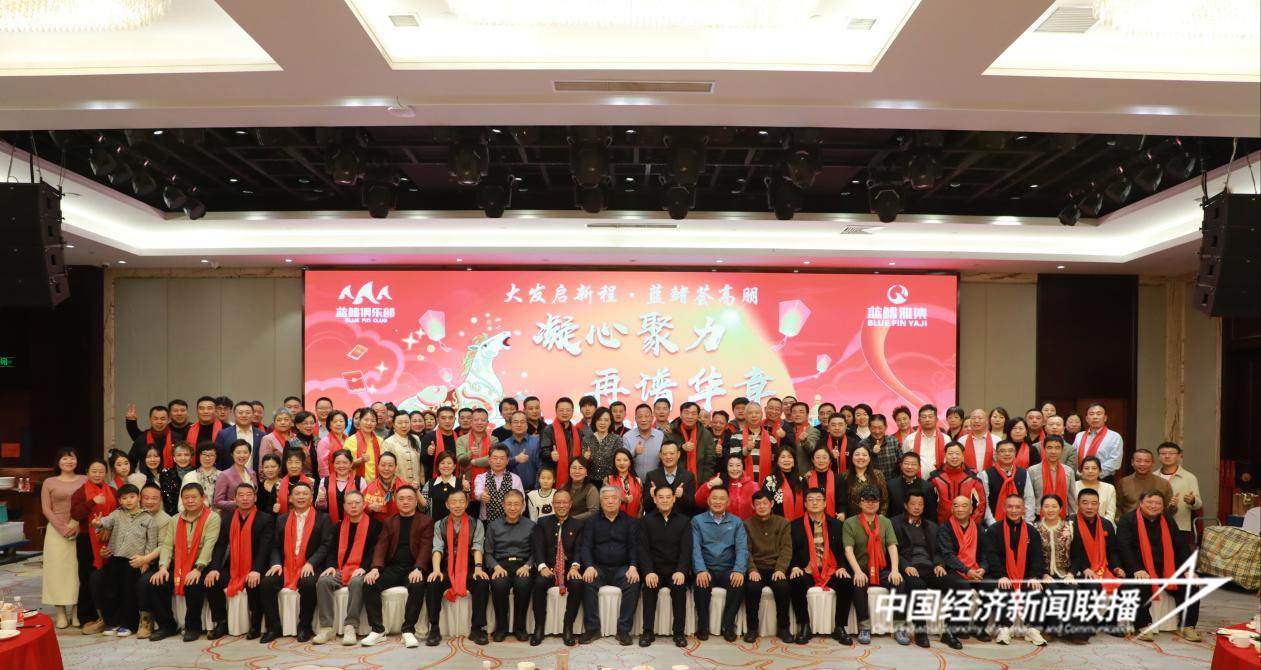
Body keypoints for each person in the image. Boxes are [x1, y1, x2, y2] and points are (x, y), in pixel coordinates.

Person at [1117, 489, 1199, 643]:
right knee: (1141, 585)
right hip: (1140, 567)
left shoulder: (1167, 519)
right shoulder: (1127, 520)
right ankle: (1143, 625)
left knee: (1191, 584)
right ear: (1141, 503)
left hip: (1167, 568)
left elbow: (1181, 546)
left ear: (1163, 506)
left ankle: (1187, 626)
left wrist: (1189, 570)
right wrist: (1136, 569)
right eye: (1149, 502)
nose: (1153, 506)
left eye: (1158, 503)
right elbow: (1124, 548)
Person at [144, 482, 222, 642]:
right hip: (179, 563)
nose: (190, 501)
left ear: (203, 498)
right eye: (186, 498)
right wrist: (163, 567)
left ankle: (193, 627)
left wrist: (198, 569)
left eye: (194, 497)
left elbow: (209, 544)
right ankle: (167, 626)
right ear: (182, 500)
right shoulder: (175, 519)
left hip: (202, 564)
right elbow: (167, 545)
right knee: (156, 583)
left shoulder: (212, 517)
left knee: (193, 584)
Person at [259, 481, 334, 643]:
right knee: (266, 583)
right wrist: (276, 563)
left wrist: (311, 562)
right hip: (287, 566)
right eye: (297, 494)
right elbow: (275, 545)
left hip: (310, 565)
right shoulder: (282, 519)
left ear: (311, 498)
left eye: (305, 494)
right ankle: (273, 627)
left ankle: (304, 626)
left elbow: (326, 545)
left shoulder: (323, 518)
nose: (301, 497)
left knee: (308, 584)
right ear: (290, 498)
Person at [362, 485, 433, 648]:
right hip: (393, 568)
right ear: (395, 501)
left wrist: (419, 568)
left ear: (416, 501)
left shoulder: (425, 521)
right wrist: (375, 568)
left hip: (413, 568)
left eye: (409, 498)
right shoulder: (389, 521)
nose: (405, 502)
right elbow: (381, 546)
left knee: (417, 584)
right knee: (369, 583)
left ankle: (408, 630)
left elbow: (426, 547)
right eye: (401, 499)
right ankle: (377, 630)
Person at [204, 483, 274, 640]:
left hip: (257, 564)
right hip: (234, 566)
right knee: (212, 582)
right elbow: (221, 545)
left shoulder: (265, 519)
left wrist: (256, 569)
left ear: (255, 498)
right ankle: (221, 622)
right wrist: (214, 568)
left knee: (254, 582)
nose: (245, 498)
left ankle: (255, 624)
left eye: (249, 495)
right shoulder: (227, 518)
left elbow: (265, 548)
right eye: (241, 495)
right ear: (235, 499)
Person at [312, 490, 382, 645]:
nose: (354, 506)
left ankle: (351, 626)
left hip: (362, 570)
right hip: (341, 569)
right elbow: (331, 550)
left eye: (357, 503)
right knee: (323, 581)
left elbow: (375, 550)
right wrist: (331, 566)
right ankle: (327, 628)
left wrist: (364, 567)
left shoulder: (375, 525)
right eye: (350, 503)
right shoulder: (338, 526)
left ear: (364, 505)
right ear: (344, 506)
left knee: (357, 582)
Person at [579, 486, 646, 645]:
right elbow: (586, 546)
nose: (610, 501)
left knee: (633, 581)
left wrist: (633, 566)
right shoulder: (591, 521)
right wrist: (589, 566)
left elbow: (633, 547)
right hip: (598, 568)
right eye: (606, 498)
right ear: (600, 501)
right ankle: (592, 629)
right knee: (587, 581)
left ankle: (623, 630)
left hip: (621, 568)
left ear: (620, 501)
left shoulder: (630, 521)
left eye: (614, 498)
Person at [787, 487, 853, 645]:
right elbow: (790, 550)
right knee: (795, 581)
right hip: (807, 570)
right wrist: (794, 566)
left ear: (825, 503)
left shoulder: (836, 525)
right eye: (810, 500)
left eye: (818, 500)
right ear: (805, 504)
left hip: (831, 570)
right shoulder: (795, 526)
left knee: (846, 581)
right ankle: (804, 625)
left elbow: (843, 550)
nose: (815, 503)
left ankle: (839, 627)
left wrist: (842, 567)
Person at [424, 488, 490, 646]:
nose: (458, 505)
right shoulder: (439, 524)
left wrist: (478, 568)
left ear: (467, 504)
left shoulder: (477, 523)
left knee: (481, 582)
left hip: (468, 567)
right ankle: (434, 627)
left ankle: (477, 628)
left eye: (461, 501)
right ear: (447, 505)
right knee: (433, 582)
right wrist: (436, 570)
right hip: (447, 568)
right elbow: (437, 549)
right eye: (453, 502)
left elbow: (478, 547)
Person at [90, 483, 155, 637]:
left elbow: (151, 543)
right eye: (124, 498)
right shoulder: (117, 514)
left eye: (132, 497)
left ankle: (128, 624)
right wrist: (98, 523)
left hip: (134, 561)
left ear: (138, 498)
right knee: (112, 591)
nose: (128, 501)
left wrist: (145, 561)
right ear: (119, 501)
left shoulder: (147, 518)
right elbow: (105, 522)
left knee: (129, 593)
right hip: (115, 559)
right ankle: (112, 622)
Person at [983, 494, 1047, 646]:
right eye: (1010, 507)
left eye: (1017, 507)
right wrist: (1001, 575)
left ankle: (1032, 629)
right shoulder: (994, 530)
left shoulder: (1032, 531)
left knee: (1036, 587)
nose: (1013, 510)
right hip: (1002, 574)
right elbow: (992, 556)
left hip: (1025, 575)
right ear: (1004, 508)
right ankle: (1004, 628)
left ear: (1023, 509)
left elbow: (1037, 557)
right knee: (1002, 586)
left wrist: (1034, 576)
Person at [841, 486, 902, 645]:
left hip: (880, 568)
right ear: (860, 503)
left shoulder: (885, 522)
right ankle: (864, 627)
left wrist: (895, 570)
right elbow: (848, 550)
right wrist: (857, 571)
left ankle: (899, 627)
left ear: (879, 503)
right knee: (858, 583)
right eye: (866, 500)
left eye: (874, 500)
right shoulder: (850, 523)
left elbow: (892, 546)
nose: (870, 504)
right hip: (861, 568)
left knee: (899, 582)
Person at [890, 491, 949, 648]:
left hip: (930, 568)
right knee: (917, 585)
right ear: (905, 505)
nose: (917, 507)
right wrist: (905, 566)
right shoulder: (894, 523)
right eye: (913, 504)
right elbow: (893, 550)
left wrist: (939, 564)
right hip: (909, 568)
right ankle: (920, 632)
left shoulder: (931, 526)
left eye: (920, 504)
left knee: (956, 584)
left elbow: (938, 551)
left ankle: (950, 632)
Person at [690, 485, 747, 642]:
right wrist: (700, 570)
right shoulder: (697, 521)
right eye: (714, 498)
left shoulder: (736, 522)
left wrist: (738, 570)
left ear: (728, 502)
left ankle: (728, 626)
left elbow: (742, 548)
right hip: (706, 568)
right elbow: (695, 548)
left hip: (728, 569)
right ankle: (703, 626)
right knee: (701, 584)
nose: (717, 501)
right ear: (708, 500)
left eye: (722, 499)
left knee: (738, 583)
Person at [1068, 487, 1126, 641]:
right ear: (1078, 504)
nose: (1089, 507)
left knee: (1122, 583)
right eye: (1085, 503)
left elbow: (1112, 551)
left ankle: (1110, 623)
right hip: (1078, 569)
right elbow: (1071, 553)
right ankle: (1089, 624)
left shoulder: (1106, 524)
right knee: (1092, 585)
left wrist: (1116, 567)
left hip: (1102, 567)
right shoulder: (1070, 523)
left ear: (1099, 505)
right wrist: (1084, 568)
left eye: (1094, 503)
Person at [638, 484, 691, 648]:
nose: (665, 500)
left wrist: (681, 571)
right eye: (661, 497)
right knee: (649, 587)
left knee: (679, 587)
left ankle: (679, 632)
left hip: (675, 569)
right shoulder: (646, 521)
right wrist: (648, 571)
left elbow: (686, 550)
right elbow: (642, 549)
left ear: (674, 499)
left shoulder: (684, 521)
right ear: (654, 499)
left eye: (668, 497)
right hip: (655, 569)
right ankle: (647, 631)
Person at [529, 488, 585, 646]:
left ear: (570, 504)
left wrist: (575, 566)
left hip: (568, 569)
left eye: (564, 502)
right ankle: (539, 628)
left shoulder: (578, 525)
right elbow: (537, 547)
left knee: (577, 583)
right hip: (548, 567)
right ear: (553, 504)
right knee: (539, 583)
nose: (561, 505)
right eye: (558, 502)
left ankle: (568, 627)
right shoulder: (542, 522)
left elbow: (579, 549)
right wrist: (542, 566)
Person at [934, 495, 991, 642]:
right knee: (962, 585)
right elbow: (948, 555)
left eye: (964, 506)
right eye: (956, 506)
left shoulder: (979, 529)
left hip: (975, 569)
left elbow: (985, 553)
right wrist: (967, 571)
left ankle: (979, 628)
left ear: (971, 509)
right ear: (952, 509)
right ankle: (958, 627)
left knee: (990, 586)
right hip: (953, 570)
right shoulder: (945, 528)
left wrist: (983, 568)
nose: (960, 509)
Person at [69, 459, 115, 633]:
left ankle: (108, 614)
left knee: (107, 577)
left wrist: (108, 528)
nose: (97, 474)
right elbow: (76, 514)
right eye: (94, 471)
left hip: (109, 538)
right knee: (87, 578)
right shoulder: (80, 492)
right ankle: (87, 616)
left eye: (101, 471)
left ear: (106, 473)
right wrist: (93, 501)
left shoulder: (112, 491)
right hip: (87, 540)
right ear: (87, 472)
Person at [484, 489, 536, 642]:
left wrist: (528, 566)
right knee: (498, 585)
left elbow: (536, 552)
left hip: (522, 565)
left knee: (523, 585)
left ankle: (520, 628)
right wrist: (495, 566)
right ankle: (501, 628)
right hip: (501, 565)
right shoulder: (493, 526)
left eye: (516, 504)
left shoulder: (531, 526)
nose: (513, 508)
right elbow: (488, 552)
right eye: (509, 504)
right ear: (503, 505)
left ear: (523, 506)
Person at [743, 490, 792, 643]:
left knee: (783, 587)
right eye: (758, 504)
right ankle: (752, 629)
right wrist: (752, 570)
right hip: (756, 568)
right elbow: (745, 550)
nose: (762, 506)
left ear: (771, 504)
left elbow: (786, 549)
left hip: (775, 567)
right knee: (752, 588)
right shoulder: (747, 524)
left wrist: (780, 569)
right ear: (753, 506)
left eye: (765, 503)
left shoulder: (783, 523)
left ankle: (783, 628)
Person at [1033, 494, 1076, 639]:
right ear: (1041, 508)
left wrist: (1071, 573)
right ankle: (1051, 629)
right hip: (1044, 574)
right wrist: (1042, 574)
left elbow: (1078, 553)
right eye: (1046, 506)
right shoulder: (1035, 528)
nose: (1050, 510)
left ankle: (1071, 630)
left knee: (1073, 589)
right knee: (1052, 589)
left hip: (1066, 573)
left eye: (1054, 506)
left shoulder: (1070, 527)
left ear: (1061, 508)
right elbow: (1033, 556)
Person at [927, 442, 986, 524]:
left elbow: (981, 506)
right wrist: (934, 526)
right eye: (950, 453)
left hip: (968, 526)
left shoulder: (973, 478)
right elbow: (928, 505)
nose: (954, 456)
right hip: (940, 526)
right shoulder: (935, 478)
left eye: (957, 453)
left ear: (963, 456)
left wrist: (971, 525)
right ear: (945, 456)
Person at [980, 440, 1036, 525]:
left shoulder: (1023, 473)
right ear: (996, 454)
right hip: (993, 523)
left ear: (1015, 453)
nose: (1007, 454)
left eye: (1010, 451)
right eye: (1002, 451)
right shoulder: (985, 474)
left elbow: (1029, 499)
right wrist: (993, 524)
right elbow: (985, 503)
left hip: (1020, 523)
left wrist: (1027, 523)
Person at [1156, 442, 1203, 535]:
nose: (1167, 456)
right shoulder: (1153, 476)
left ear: (1179, 456)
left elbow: (1198, 504)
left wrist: (1192, 500)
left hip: (1179, 526)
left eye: (1171, 453)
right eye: (1163, 453)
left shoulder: (1189, 477)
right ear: (1158, 456)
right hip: (1154, 525)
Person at [725, 402, 777, 485]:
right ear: (745, 416)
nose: (754, 415)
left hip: (766, 484)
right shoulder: (736, 436)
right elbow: (733, 461)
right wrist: (746, 450)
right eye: (750, 413)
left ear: (762, 415)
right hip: (742, 484)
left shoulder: (771, 437)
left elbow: (775, 463)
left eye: (757, 413)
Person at [643, 440, 698, 516]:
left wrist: (682, 496)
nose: (668, 457)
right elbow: (646, 507)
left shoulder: (688, 476)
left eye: (672, 454)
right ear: (660, 455)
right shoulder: (651, 476)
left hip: (681, 520)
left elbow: (692, 506)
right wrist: (651, 496)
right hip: (657, 519)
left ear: (678, 454)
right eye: (665, 454)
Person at [1068, 403, 1123, 480]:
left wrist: (1093, 473)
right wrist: (1078, 474)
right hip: (1080, 477)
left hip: (1103, 479)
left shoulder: (1114, 437)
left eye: (1098, 414)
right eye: (1091, 414)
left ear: (1105, 418)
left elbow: (1115, 462)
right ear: (1087, 419)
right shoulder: (1079, 435)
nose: (1095, 417)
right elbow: (1072, 456)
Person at [696, 453, 758, 519]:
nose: (734, 469)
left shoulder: (752, 486)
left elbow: (758, 509)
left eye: (738, 465)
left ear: (743, 467)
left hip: (745, 525)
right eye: (731, 465)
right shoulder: (718, 481)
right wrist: (709, 485)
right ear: (726, 467)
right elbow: (698, 501)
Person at [1028, 436, 1077, 518]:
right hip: (1038, 516)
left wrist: (1073, 518)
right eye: (1049, 448)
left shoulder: (1068, 471)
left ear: (1062, 450)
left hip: (1063, 517)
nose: (1053, 451)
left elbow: (1071, 498)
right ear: (1044, 449)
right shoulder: (1032, 471)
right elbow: (1029, 498)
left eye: (1057, 448)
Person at [474, 445, 524, 522]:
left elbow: (521, 501)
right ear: (489, 460)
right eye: (495, 458)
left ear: (507, 461)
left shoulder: (515, 479)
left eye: (502, 458)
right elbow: (477, 493)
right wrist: (482, 495)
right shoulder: (481, 478)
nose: (498, 461)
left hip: (510, 521)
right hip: (486, 522)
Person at [316, 449, 369, 524]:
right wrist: (321, 501)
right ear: (333, 464)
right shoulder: (324, 481)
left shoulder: (360, 481)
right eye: (337, 463)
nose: (341, 466)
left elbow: (365, 505)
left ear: (351, 464)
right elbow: (319, 507)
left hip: (354, 523)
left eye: (345, 463)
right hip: (330, 524)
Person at [1116, 449, 1173, 517]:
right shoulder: (1123, 482)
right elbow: (1117, 506)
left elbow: (1168, 509)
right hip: (1129, 522)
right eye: (1138, 461)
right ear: (1132, 462)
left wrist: (1173, 506)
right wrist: (1120, 520)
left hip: (1156, 522)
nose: (1142, 464)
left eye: (1147, 461)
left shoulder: (1163, 483)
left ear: (1153, 463)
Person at [542, 398, 584, 487]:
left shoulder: (578, 432)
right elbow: (543, 452)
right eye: (561, 410)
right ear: (556, 411)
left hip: (575, 474)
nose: (565, 413)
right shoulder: (548, 430)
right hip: (555, 475)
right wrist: (550, 455)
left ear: (572, 411)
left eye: (568, 410)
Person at [215, 401, 266, 471]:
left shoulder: (261, 435)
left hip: (253, 476)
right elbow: (218, 458)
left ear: (252, 415)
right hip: (229, 475)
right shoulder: (223, 434)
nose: (244, 415)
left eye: (247, 413)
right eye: (240, 413)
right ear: (234, 414)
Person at [887, 451, 938, 519]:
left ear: (919, 467)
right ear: (901, 466)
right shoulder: (890, 485)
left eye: (913, 464)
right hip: (895, 524)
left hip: (921, 524)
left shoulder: (928, 487)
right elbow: (888, 511)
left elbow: (931, 514)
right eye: (906, 463)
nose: (909, 467)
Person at [842, 444, 888, 518]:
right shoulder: (844, 476)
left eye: (864, 455)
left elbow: (885, 500)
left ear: (869, 458)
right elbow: (842, 502)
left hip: (875, 519)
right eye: (857, 454)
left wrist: (881, 517)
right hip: (852, 520)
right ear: (851, 458)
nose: (861, 457)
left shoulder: (878, 474)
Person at [500, 411, 542, 490]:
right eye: (515, 422)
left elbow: (541, 467)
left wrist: (536, 490)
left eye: (522, 422)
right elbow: (499, 467)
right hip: (510, 492)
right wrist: (515, 460)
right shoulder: (504, 445)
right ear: (510, 425)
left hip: (533, 491)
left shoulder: (536, 442)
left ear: (527, 425)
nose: (519, 425)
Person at [457, 407, 498, 486]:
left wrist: (474, 462)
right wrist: (470, 453)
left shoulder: (494, 440)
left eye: (483, 420)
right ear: (471, 422)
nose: (479, 423)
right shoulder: (461, 440)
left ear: (487, 423)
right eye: (476, 420)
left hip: (490, 482)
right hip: (466, 482)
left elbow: (494, 459)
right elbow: (460, 460)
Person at [624, 403, 666, 480]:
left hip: (657, 480)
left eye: (646, 416)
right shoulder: (627, 436)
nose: (643, 420)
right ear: (635, 419)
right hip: (633, 481)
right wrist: (634, 452)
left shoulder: (661, 435)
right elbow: (622, 460)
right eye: (640, 417)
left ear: (652, 418)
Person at [212, 439, 257, 512]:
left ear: (249, 454)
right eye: (238, 452)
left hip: (252, 513)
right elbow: (217, 502)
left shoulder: (252, 473)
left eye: (245, 452)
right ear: (232, 454)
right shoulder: (224, 475)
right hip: (233, 514)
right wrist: (237, 503)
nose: (242, 455)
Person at [420, 451, 465, 521]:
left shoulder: (461, 483)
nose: (446, 466)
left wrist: (466, 490)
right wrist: (416, 491)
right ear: (438, 466)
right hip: (434, 525)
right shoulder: (430, 483)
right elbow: (424, 508)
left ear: (454, 466)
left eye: (449, 463)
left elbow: (466, 506)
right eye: (442, 463)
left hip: (456, 525)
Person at [761, 447, 804, 521]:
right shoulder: (770, 481)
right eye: (783, 457)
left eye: (790, 457)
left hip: (799, 524)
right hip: (776, 523)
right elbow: (765, 504)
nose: (786, 460)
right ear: (777, 462)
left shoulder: (801, 480)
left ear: (794, 461)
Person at [803, 445, 846, 519]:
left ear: (830, 460)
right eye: (818, 457)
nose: (821, 460)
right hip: (811, 519)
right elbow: (804, 502)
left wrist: (842, 513)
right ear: (812, 460)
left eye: (824, 457)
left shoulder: (838, 479)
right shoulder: (807, 479)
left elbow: (842, 501)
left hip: (834, 519)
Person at [582, 407, 623, 483]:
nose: (602, 423)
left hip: (610, 482)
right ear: (595, 421)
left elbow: (619, 462)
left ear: (610, 422)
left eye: (606, 420)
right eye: (599, 420)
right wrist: (584, 458)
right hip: (589, 482)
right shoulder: (586, 439)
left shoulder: (616, 439)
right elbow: (582, 464)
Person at [383, 411, 424, 487]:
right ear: (393, 425)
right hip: (397, 486)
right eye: (400, 423)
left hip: (416, 485)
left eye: (406, 422)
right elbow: (386, 467)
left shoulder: (416, 439)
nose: (404, 425)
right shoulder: (388, 442)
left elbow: (420, 463)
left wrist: (422, 481)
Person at [902, 404, 946, 475]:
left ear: (936, 419)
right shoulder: (909, 439)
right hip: (916, 479)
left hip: (940, 479)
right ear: (919, 420)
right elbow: (905, 461)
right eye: (924, 417)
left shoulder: (946, 439)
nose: (927, 419)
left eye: (930, 416)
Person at [363, 451, 408, 520]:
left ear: (395, 467)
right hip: (378, 524)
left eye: (390, 465)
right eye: (383, 465)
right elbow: (362, 508)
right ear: (378, 466)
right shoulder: (371, 487)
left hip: (400, 522)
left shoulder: (404, 485)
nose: (386, 468)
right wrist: (370, 508)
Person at [128, 405, 174, 471]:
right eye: (155, 419)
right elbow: (131, 461)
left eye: (162, 419)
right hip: (146, 476)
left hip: (172, 476)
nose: (159, 422)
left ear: (168, 420)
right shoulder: (142, 438)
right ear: (150, 420)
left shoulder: (176, 438)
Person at [858, 414, 901, 481]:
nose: (877, 431)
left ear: (886, 427)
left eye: (880, 428)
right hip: (872, 483)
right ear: (869, 428)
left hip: (892, 482)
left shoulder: (893, 441)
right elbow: (860, 466)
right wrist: (873, 454)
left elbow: (901, 461)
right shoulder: (863, 444)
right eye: (873, 428)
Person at [420, 406, 459, 480]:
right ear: (437, 420)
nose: (447, 421)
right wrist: (428, 453)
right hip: (434, 480)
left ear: (455, 419)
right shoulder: (429, 437)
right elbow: (423, 461)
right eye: (443, 418)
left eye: (450, 418)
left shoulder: (459, 437)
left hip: (455, 480)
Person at [345, 408, 384, 481]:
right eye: (366, 420)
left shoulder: (380, 441)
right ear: (359, 421)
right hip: (357, 483)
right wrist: (360, 460)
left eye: (373, 421)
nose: (369, 423)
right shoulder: (350, 441)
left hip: (378, 483)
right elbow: (344, 465)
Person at [275, 448, 316, 516]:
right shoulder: (278, 484)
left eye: (297, 462)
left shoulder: (311, 482)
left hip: (307, 519)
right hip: (285, 520)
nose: (293, 466)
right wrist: (274, 509)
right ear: (285, 464)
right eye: (290, 462)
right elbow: (269, 507)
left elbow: (316, 505)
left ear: (302, 464)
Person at [159, 442, 195, 516]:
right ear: (174, 458)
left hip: (195, 513)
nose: (183, 458)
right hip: (173, 516)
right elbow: (166, 500)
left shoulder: (197, 472)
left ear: (191, 458)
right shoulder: (166, 474)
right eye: (179, 455)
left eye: (186, 455)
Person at [606, 448, 643, 517]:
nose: (622, 463)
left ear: (630, 462)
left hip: (633, 520)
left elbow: (641, 505)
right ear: (614, 462)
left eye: (625, 460)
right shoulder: (608, 480)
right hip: (613, 519)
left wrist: (638, 520)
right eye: (618, 460)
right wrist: (622, 500)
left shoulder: (638, 481)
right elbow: (605, 501)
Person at [1079, 456, 1117, 521]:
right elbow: (1072, 511)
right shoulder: (1074, 486)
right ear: (1081, 471)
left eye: (1094, 468)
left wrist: (1100, 525)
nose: (1090, 471)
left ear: (1100, 471)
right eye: (1086, 468)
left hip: (1104, 524)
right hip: (1077, 524)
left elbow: (1110, 514)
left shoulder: (1109, 488)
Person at [785, 401, 820, 471]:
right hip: (786, 471)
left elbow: (812, 449)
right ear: (791, 415)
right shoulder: (786, 430)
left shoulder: (813, 431)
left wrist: (804, 441)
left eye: (801, 412)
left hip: (804, 472)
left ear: (807, 415)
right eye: (794, 412)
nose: (797, 414)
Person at [564, 456, 600, 520]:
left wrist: (571, 520)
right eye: (574, 468)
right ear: (569, 471)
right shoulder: (563, 487)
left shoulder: (591, 489)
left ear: (586, 472)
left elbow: (594, 512)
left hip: (583, 524)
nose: (577, 471)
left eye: (581, 468)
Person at [317, 410, 350, 479]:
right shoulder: (324, 442)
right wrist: (327, 481)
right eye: (335, 421)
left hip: (349, 478)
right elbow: (323, 466)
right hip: (332, 479)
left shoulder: (349, 440)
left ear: (346, 424)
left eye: (341, 421)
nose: (338, 424)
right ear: (329, 425)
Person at [289, 411, 322, 476]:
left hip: (318, 478)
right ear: (297, 425)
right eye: (305, 423)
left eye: (312, 423)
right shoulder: (291, 442)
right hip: (299, 479)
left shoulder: (318, 441)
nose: (309, 426)